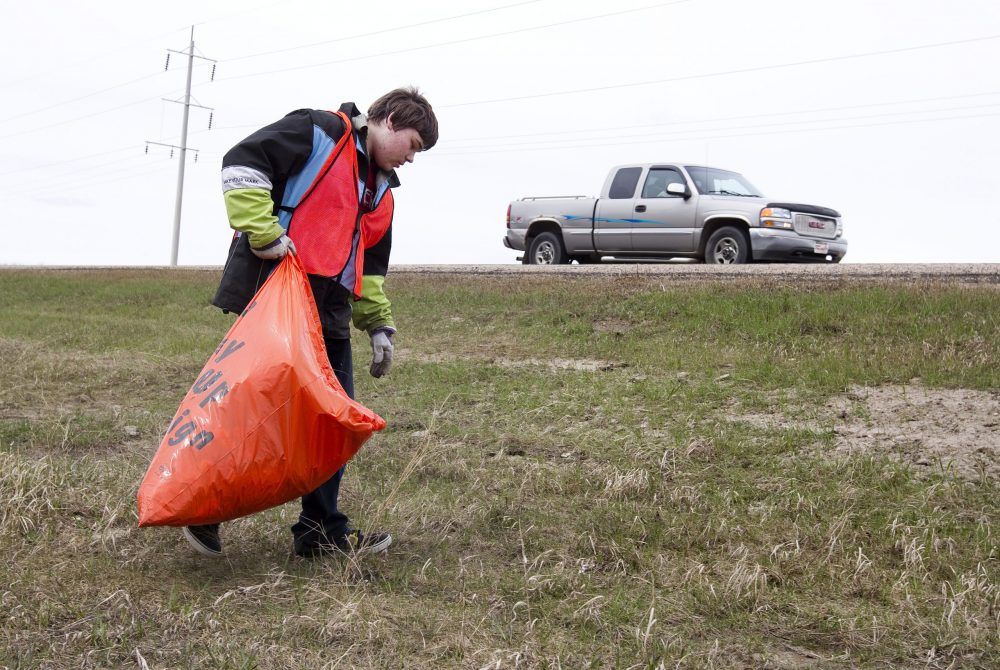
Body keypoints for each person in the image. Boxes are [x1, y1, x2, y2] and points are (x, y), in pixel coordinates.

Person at [182, 87, 438, 559]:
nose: (412, 159)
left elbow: (370, 268)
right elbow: (241, 162)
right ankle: (201, 507)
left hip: (331, 310)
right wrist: (263, 232)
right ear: (392, 119)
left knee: (334, 421)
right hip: (277, 295)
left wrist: (379, 325)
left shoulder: (381, 193)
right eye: (414, 146)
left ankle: (320, 532)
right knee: (253, 411)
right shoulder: (318, 131)